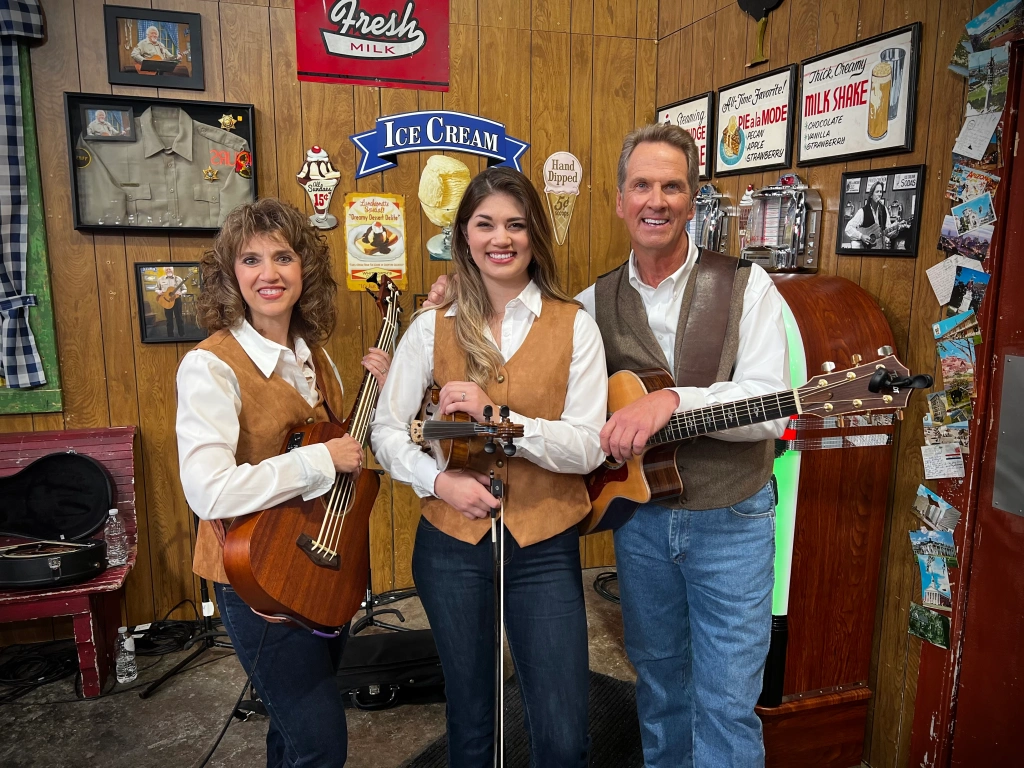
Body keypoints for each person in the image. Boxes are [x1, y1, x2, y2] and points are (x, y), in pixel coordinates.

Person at [425, 124, 790, 767]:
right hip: (642, 522)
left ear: (693, 198)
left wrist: (674, 400)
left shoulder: (746, 286)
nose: (657, 200)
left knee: (729, 704)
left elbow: (770, 407)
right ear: (620, 200)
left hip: (732, 519)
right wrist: (463, 290)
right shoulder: (591, 304)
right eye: (642, 185)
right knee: (661, 690)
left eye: (672, 186)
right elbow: (537, 354)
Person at [371, 166, 607, 768]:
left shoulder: (575, 324)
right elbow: (386, 433)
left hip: (543, 544)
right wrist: (439, 480)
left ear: (535, 235)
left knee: (561, 731)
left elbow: (587, 447)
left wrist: (502, 417)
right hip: (451, 546)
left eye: (515, 224)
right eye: (485, 224)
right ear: (465, 236)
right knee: (470, 719)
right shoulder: (430, 328)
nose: (500, 238)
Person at [175, 198, 390, 768]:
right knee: (321, 744)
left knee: (291, 735)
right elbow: (210, 491)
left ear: (305, 270)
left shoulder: (312, 355)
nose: (269, 274)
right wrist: (318, 460)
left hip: (318, 564)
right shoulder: (210, 366)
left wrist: (382, 396)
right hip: (254, 576)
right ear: (230, 275)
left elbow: (342, 452)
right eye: (251, 260)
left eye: (283, 257)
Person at [844, 180, 888, 248]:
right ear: (871, 195)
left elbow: (887, 229)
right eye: (877, 192)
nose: (879, 194)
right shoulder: (862, 211)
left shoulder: (884, 209)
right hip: (866, 249)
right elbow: (848, 228)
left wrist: (896, 228)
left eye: (881, 192)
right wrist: (861, 236)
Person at [154, 266, 186, 337]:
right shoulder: (160, 279)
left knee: (179, 318)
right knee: (169, 320)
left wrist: (181, 293)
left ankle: (182, 335)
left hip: (177, 300)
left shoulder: (178, 279)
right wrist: (159, 292)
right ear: (165, 271)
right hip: (166, 301)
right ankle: (170, 336)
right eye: (167, 269)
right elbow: (156, 288)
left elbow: (184, 289)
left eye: (170, 269)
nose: (168, 270)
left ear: (173, 270)